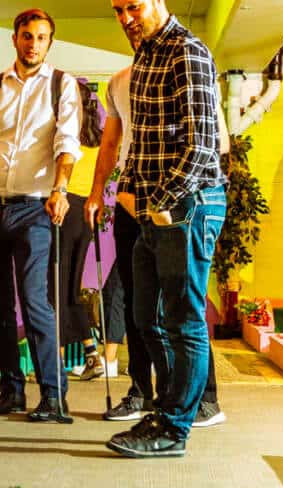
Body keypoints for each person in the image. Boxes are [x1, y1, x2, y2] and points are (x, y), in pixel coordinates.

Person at [84, 29, 227, 428]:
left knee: (182, 309)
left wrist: (167, 199)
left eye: (134, 9)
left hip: (173, 201)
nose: (129, 24)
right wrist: (100, 192)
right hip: (135, 201)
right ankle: (146, 393)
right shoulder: (121, 81)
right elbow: (112, 145)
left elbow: (215, 145)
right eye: (120, 13)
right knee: (139, 306)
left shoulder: (186, 62)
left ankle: (203, 400)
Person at [0, 9, 81, 421]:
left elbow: (67, 140)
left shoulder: (62, 85)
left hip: (35, 208)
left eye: (41, 37)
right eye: (27, 35)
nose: (33, 44)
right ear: (15, 39)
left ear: (49, 43)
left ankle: (53, 397)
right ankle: (11, 390)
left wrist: (60, 189)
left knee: (35, 300)